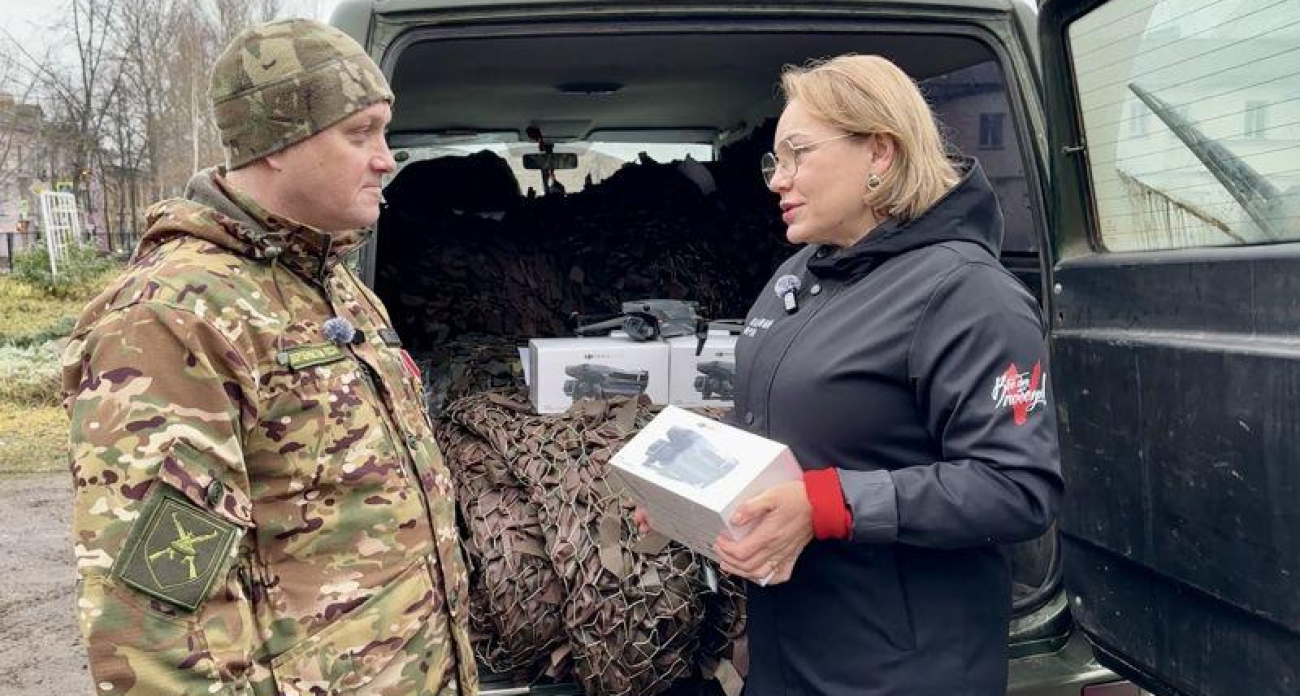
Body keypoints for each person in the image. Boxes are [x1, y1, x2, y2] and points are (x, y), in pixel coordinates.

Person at [62, 19, 476, 696]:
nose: (386, 158)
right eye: (360, 132)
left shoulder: (336, 287)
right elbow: (157, 625)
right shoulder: (174, 318)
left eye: (384, 131)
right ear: (278, 140)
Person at [640, 54, 1063, 696]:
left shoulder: (969, 295)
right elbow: (786, 421)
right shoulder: (801, 273)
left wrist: (828, 505)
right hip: (790, 650)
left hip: (900, 668)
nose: (777, 180)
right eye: (772, 161)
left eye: (797, 154)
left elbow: (1017, 486)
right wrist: (691, 485)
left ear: (881, 154)